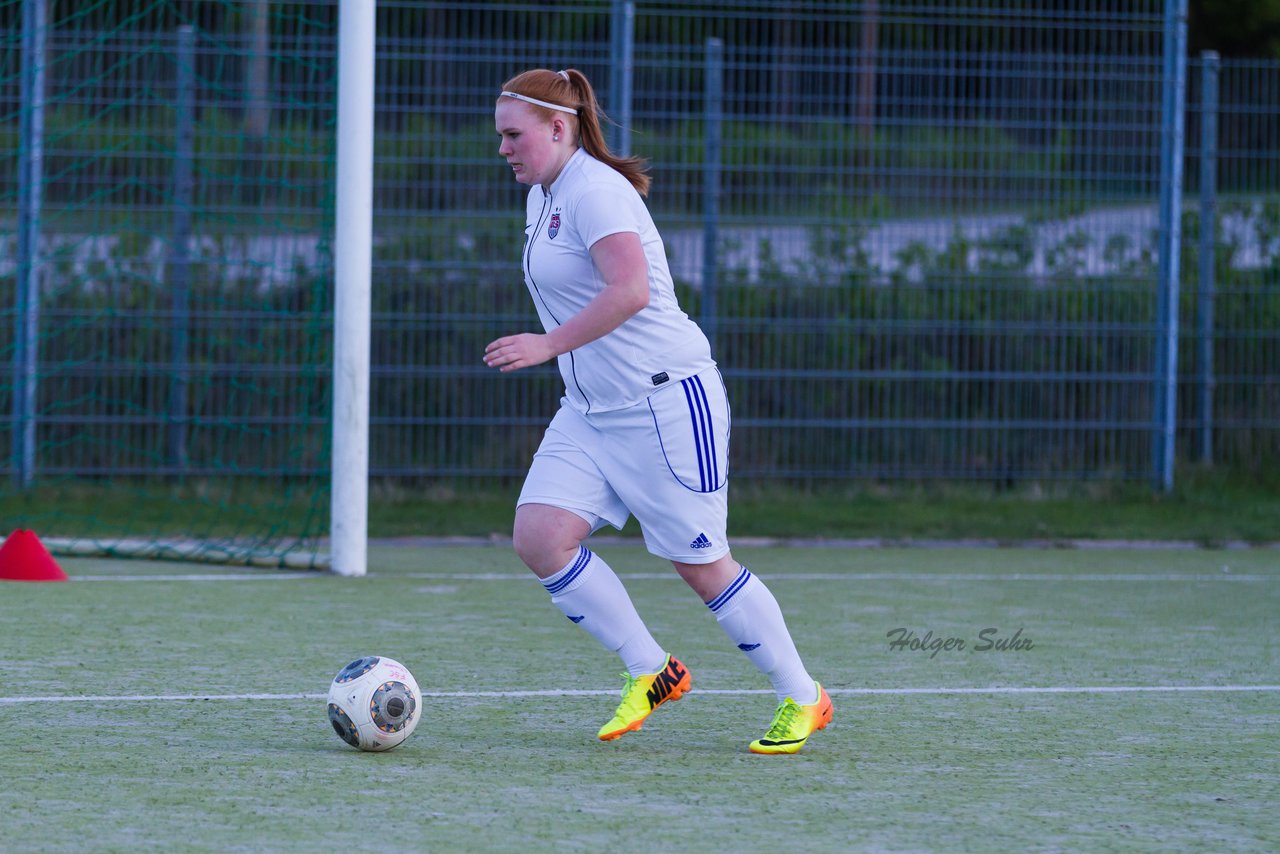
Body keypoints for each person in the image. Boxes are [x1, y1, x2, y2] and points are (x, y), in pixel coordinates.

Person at [485, 67, 832, 754]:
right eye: (500, 136)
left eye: (512, 134)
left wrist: (547, 344)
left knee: (702, 567)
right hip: (591, 410)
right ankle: (652, 670)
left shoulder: (596, 192)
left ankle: (803, 695)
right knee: (539, 536)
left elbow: (632, 291)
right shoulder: (545, 191)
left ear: (559, 128)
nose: (503, 148)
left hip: (665, 402)